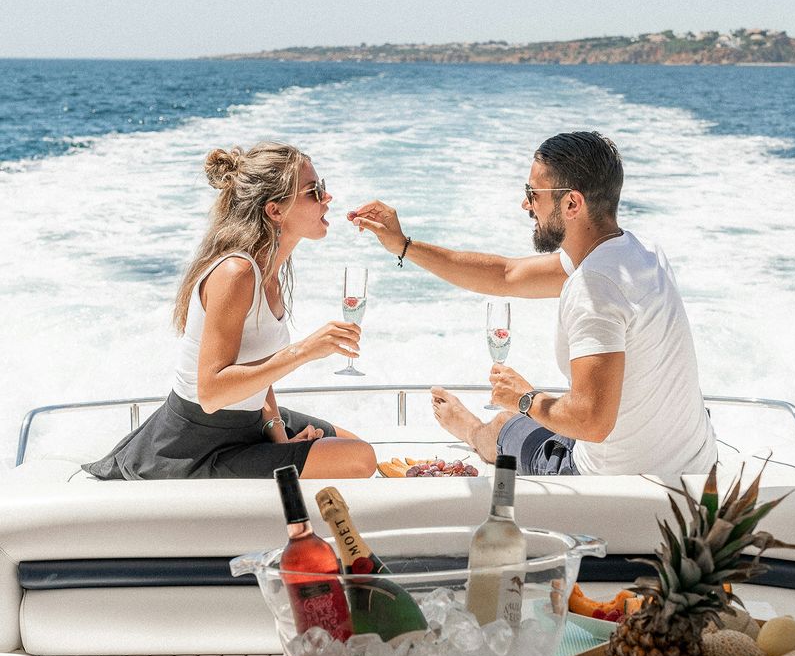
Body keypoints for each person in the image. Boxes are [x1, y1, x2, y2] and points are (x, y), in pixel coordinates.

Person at [350, 131, 716, 482]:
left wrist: (525, 398)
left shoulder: (594, 288)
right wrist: (404, 245)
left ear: (572, 203)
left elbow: (592, 422)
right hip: (696, 468)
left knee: (505, 423)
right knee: (540, 410)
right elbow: (507, 275)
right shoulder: (639, 254)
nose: (526, 204)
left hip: (611, 480)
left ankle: (472, 430)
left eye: (533, 193)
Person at [84, 142, 376, 480]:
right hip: (197, 447)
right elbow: (211, 393)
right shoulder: (235, 273)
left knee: (353, 444)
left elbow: (257, 363)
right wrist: (305, 351)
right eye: (314, 191)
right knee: (360, 459)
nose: (327, 198)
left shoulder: (271, 272)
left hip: (249, 424)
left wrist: (278, 437)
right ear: (275, 211)